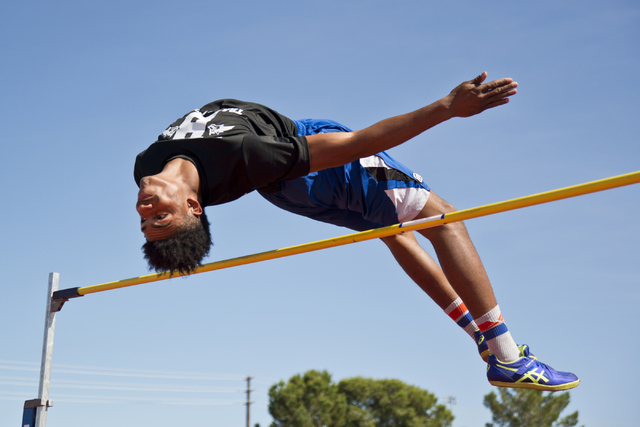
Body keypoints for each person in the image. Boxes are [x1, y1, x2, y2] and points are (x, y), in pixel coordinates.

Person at [134, 72, 579, 391]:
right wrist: (447, 108)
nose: (145, 210)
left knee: (394, 231)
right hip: (311, 166)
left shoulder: (144, 166)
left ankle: (481, 338)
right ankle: (508, 357)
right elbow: (356, 145)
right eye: (161, 220)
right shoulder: (251, 155)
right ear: (194, 207)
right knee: (444, 217)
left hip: (289, 191)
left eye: (145, 221)